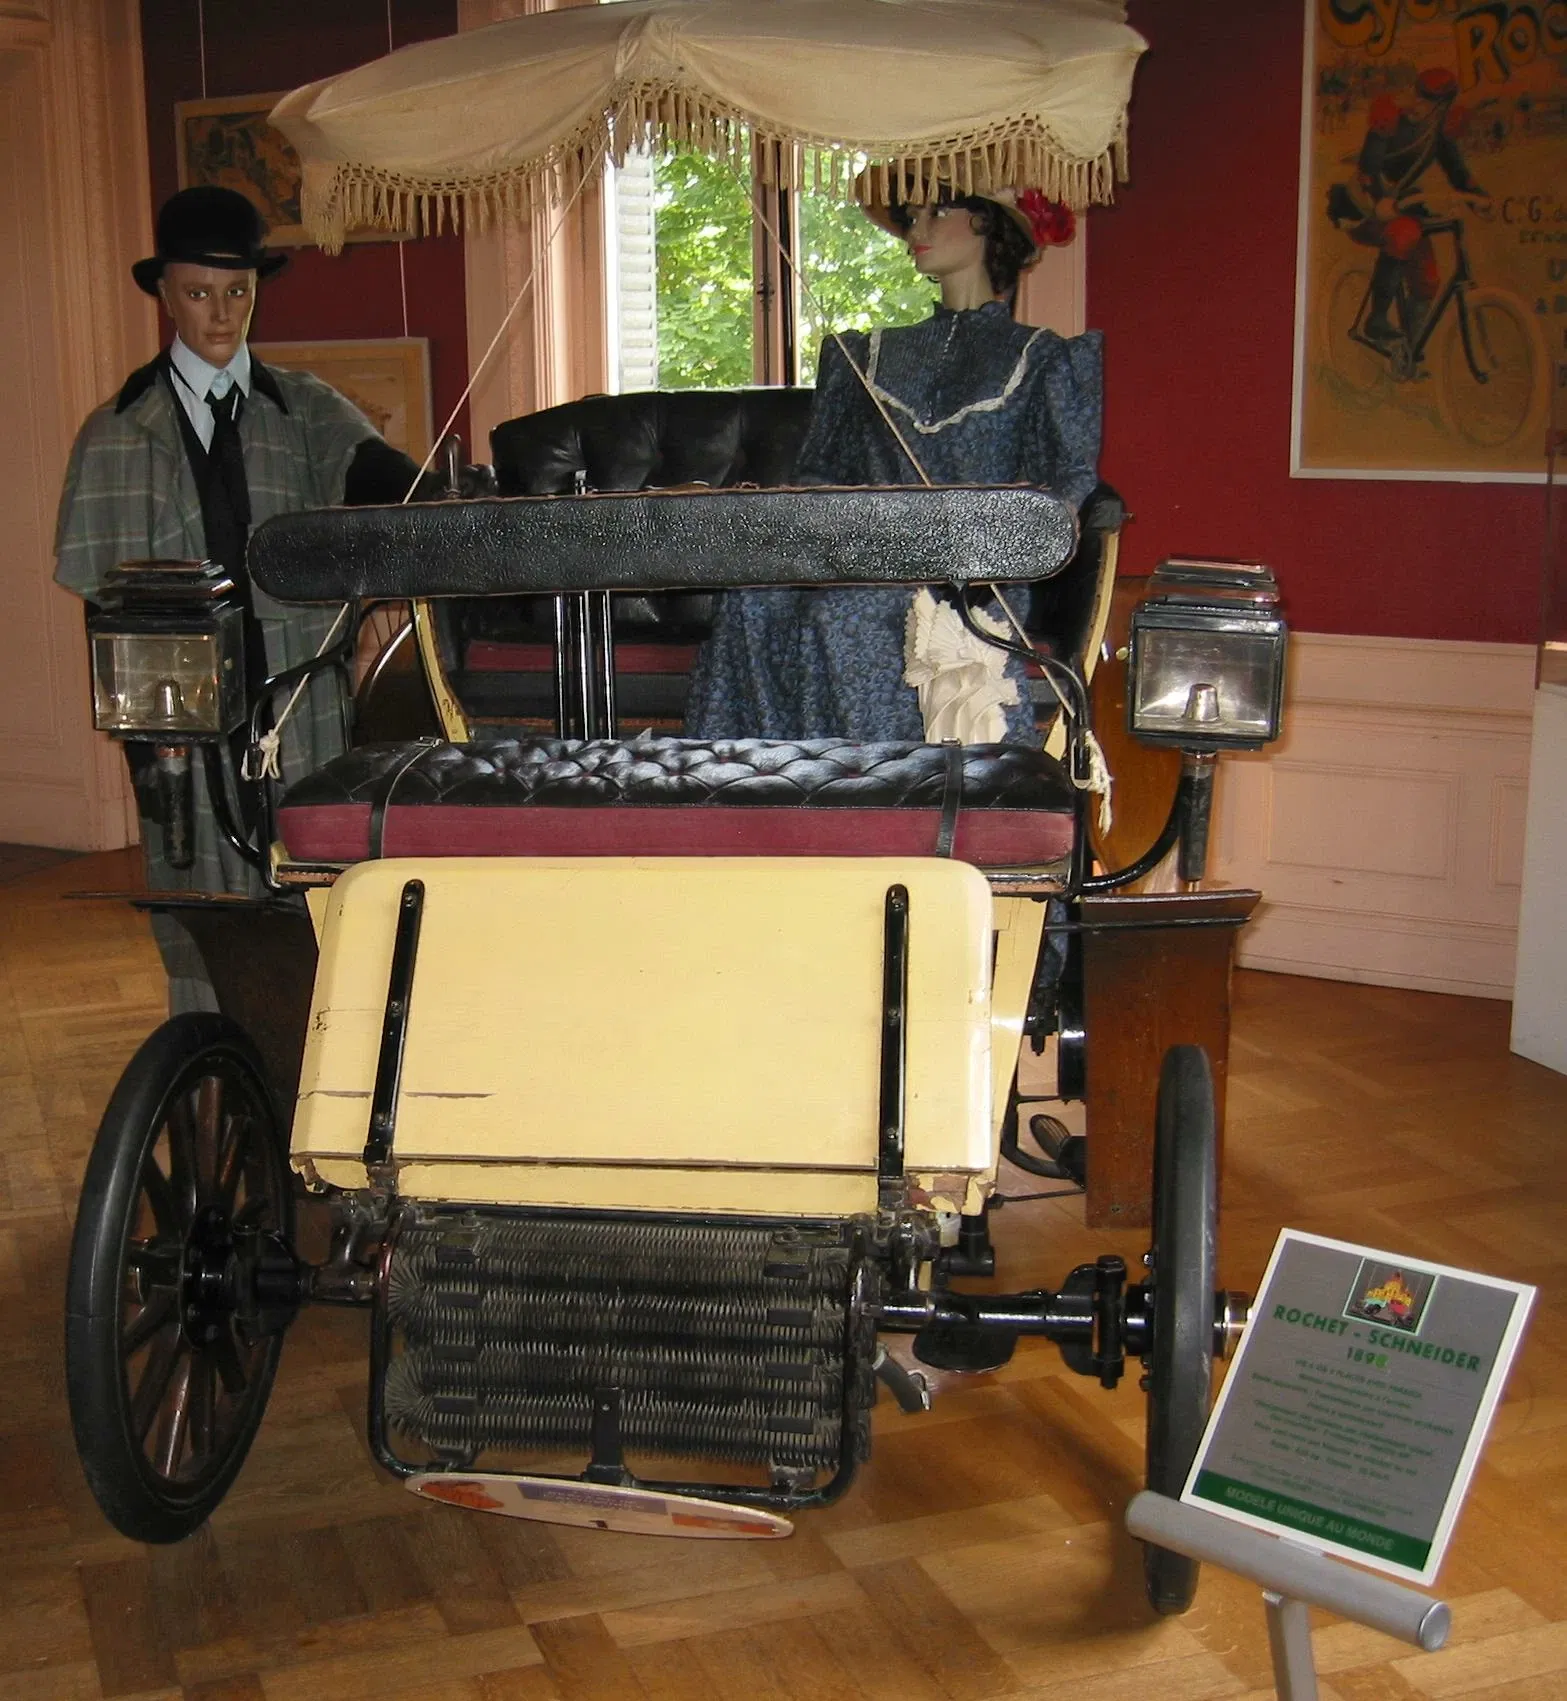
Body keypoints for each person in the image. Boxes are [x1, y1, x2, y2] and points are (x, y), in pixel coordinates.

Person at [55, 186, 436, 1012]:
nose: (221, 314)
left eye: (238, 291)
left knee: (322, 895)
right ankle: (211, 1097)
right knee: (204, 919)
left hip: (299, 701)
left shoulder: (303, 410)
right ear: (164, 294)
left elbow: (374, 471)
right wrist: (142, 744)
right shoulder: (118, 433)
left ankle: (319, 1093)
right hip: (184, 725)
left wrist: (432, 511)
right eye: (199, 292)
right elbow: (104, 611)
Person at [684, 183, 1101, 746]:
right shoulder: (864, 354)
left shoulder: (1046, 358)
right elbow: (820, 472)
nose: (917, 231)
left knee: (842, 619)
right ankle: (758, 790)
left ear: (986, 226)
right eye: (911, 216)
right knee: (750, 602)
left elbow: (1067, 481)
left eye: (937, 212)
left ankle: (872, 795)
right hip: (861, 559)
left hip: (973, 579)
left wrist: (1001, 549)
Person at [1327, 66, 1490, 352]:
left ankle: (1408, 351)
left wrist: (1479, 198)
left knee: (1428, 281)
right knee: (1404, 234)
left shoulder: (1437, 134)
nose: (1420, 104)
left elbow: (1458, 172)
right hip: (1366, 207)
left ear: (1444, 106)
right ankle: (1376, 320)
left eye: (1430, 101)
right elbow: (1368, 169)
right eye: (1420, 96)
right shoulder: (1390, 122)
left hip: (1404, 207)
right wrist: (1380, 200)